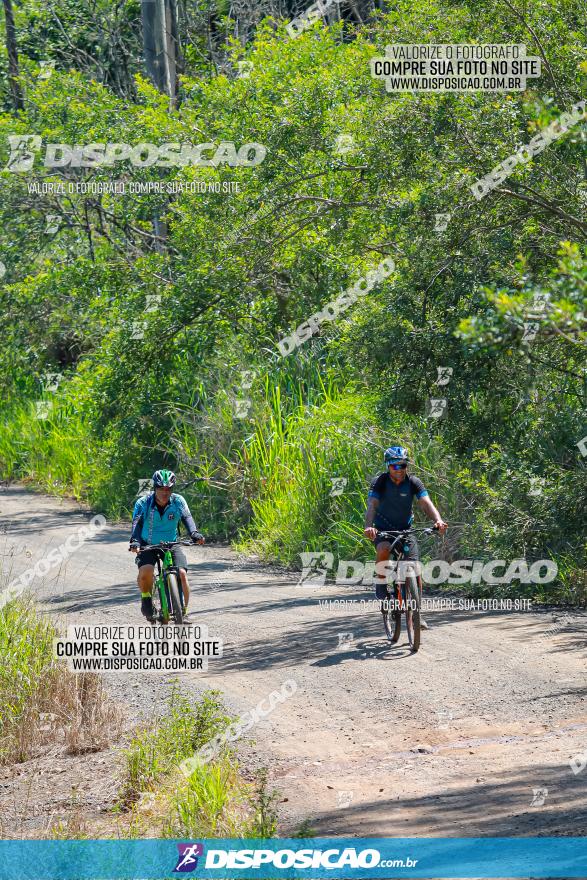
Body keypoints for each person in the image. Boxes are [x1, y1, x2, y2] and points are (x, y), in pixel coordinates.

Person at [364, 446, 447, 629]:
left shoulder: (414, 482)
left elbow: (426, 503)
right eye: (394, 466)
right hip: (383, 530)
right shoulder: (380, 482)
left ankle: (416, 615)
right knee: (383, 548)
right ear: (388, 466)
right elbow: (372, 505)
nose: (399, 469)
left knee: (415, 569)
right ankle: (381, 583)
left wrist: (438, 521)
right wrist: (369, 526)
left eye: (402, 465)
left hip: (405, 530)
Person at [129, 469, 204, 620]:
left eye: (168, 489)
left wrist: (194, 534)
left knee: (181, 573)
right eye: (161, 488)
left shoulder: (178, 501)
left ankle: (183, 612)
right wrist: (135, 541)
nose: (165, 492)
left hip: (171, 543)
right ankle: (146, 598)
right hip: (147, 544)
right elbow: (136, 524)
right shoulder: (143, 503)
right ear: (154, 487)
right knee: (146, 572)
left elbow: (187, 518)